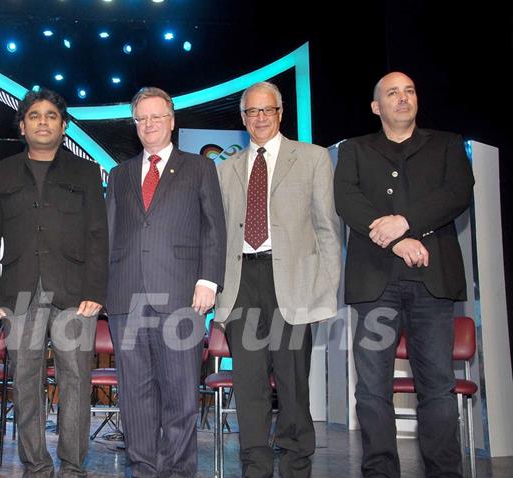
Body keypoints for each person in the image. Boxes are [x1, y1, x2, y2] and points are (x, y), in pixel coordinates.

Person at [334, 71, 474, 477]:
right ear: (376, 107)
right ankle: (380, 472)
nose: (402, 98)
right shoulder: (355, 150)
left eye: (410, 91)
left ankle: (445, 472)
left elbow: (457, 194)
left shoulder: (447, 145)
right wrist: (396, 241)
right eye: (392, 93)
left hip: (433, 282)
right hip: (373, 284)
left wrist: (405, 222)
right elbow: (346, 200)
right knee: (372, 391)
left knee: (438, 388)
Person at [0, 87, 108, 478]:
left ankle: (72, 466)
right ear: (22, 126)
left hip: (74, 296)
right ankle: (36, 465)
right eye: (35, 115)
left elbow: (98, 235)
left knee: (76, 382)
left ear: (63, 126)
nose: (43, 122)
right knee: (27, 383)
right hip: (19, 293)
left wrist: (95, 292)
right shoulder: (0, 174)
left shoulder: (84, 173)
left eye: (51, 115)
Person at [215, 81, 341, 477]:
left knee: (292, 386)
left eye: (267, 110)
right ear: (243, 118)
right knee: (248, 388)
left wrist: (324, 290)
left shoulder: (313, 158)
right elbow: (217, 237)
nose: (260, 118)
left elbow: (327, 229)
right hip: (240, 286)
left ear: (281, 113)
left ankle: (295, 466)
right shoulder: (225, 169)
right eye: (252, 112)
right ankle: (254, 467)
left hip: (293, 284)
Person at [106, 86, 226, 477]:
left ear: (172, 121)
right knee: (135, 398)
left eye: (157, 117)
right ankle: (142, 469)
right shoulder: (120, 174)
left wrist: (209, 280)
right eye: (142, 118)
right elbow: (108, 234)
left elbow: (214, 229)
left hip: (182, 297)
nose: (149, 125)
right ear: (135, 124)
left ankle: (177, 472)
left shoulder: (199, 168)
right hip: (126, 298)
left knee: (180, 396)